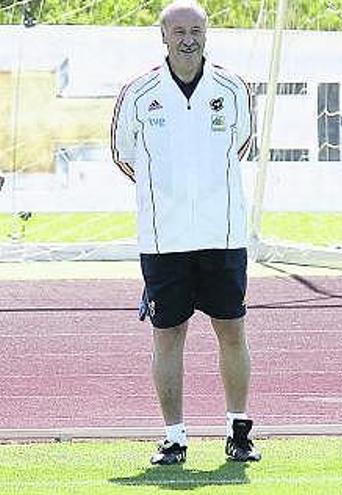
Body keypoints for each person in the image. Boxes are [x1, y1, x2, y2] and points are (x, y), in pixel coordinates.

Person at [110, 0, 259, 465]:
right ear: (164, 36)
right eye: (179, 30)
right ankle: (174, 436)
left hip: (224, 233)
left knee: (231, 331)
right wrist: (166, 191)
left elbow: (243, 143)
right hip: (163, 237)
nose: (188, 38)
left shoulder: (232, 88)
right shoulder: (139, 92)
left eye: (195, 29)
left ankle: (238, 430)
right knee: (167, 336)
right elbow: (123, 153)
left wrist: (207, 191)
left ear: (206, 34)